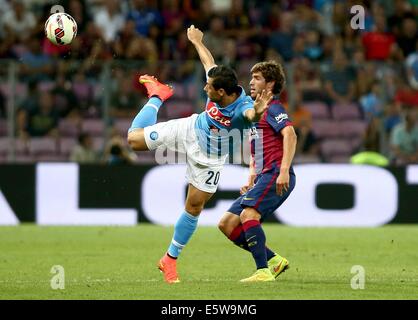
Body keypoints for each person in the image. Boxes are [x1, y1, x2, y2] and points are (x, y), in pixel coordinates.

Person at [127, 25, 272, 284]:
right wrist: (196, 41)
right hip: (191, 129)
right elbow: (209, 61)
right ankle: (157, 96)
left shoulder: (242, 109)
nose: (204, 90)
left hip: (210, 161)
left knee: (194, 206)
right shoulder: (218, 82)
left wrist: (259, 112)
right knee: (133, 140)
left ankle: (169, 260)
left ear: (222, 93)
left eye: (208, 88)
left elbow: (250, 116)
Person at [218, 61, 298, 282]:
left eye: (257, 78)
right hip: (264, 174)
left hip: (275, 173)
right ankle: (274, 261)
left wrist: (283, 170)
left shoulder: (274, 108)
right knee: (227, 223)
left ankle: (263, 271)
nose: (251, 82)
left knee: (248, 215)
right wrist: (252, 173)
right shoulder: (256, 112)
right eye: (251, 77)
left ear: (270, 84)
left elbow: (290, 135)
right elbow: (257, 145)